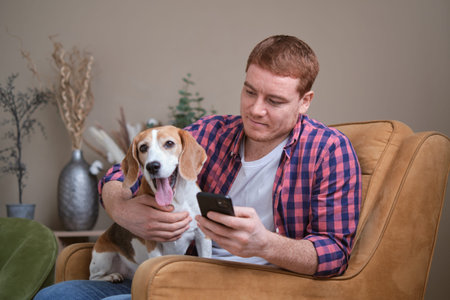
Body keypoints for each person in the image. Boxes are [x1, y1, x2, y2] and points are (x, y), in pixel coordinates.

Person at [35, 35, 361, 300]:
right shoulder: (214, 132)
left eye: (274, 101)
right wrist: (122, 208)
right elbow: (120, 175)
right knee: (54, 297)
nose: (255, 109)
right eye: (249, 92)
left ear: (305, 101)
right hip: (178, 274)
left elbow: (334, 252)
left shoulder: (329, 150)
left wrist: (266, 244)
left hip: (257, 286)